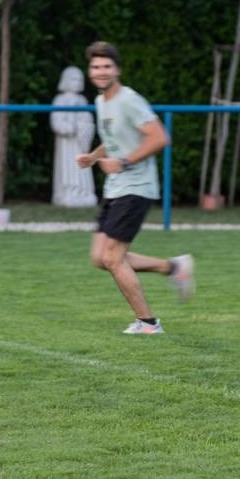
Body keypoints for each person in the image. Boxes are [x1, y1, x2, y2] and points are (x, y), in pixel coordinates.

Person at [76, 41, 195, 334]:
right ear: (90, 71)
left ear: (117, 69)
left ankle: (148, 323)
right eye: (95, 67)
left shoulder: (130, 100)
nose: (101, 72)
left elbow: (159, 137)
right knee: (100, 257)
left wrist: (124, 162)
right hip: (116, 187)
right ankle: (174, 268)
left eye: (106, 66)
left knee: (113, 257)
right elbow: (115, 139)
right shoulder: (101, 102)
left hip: (136, 186)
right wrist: (94, 156)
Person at [51, 66, 97, 207]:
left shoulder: (82, 100)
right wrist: (71, 128)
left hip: (80, 142)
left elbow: (87, 118)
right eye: (73, 79)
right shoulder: (59, 100)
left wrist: (85, 126)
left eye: (79, 80)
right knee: (68, 168)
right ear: (65, 81)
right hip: (66, 143)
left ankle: (83, 193)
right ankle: (67, 193)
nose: (77, 83)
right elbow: (56, 122)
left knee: (82, 168)